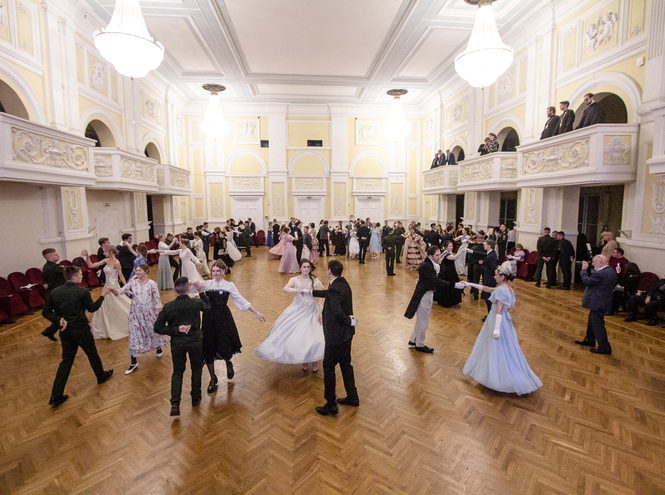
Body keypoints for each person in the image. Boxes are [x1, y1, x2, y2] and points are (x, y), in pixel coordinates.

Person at [461, 262, 542, 395]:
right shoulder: (506, 288)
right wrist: (470, 284)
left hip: (497, 321)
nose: (494, 277)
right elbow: (487, 289)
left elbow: (499, 310)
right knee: (502, 348)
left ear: (503, 276)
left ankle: (498, 378)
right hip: (502, 321)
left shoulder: (503, 290)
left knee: (496, 348)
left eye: (496, 275)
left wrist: (496, 329)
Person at [43, 266, 114, 407]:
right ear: (74, 277)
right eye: (80, 274)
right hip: (81, 329)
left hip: (66, 331)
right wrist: (103, 295)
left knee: (66, 361)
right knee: (92, 353)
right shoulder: (82, 292)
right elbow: (92, 308)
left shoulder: (55, 292)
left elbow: (46, 312)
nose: (82, 276)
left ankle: (56, 395)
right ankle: (101, 376)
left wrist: (58, 320)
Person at [200, 261, 265, 392]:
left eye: (218, 271)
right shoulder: (207, 284)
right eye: (213, 271)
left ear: (223, 271)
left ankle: (228, 362)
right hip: (208, 319)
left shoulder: (228, 285)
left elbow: (240, 299)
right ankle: (213, 377)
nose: (216, 273)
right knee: (208, 346)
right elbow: (188, 288)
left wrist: (256, 312)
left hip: (223, 318)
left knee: (224, 343)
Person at [153, 277, 210, 417]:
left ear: (175, 290)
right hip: (195, 341)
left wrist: (176, 329)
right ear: (188, 289)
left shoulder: (168, 307)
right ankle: (195, 397)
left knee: (177, 371)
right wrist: (201, 292)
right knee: (196, 369)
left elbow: (157, 327)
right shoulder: (195, 304)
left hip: (177, 343)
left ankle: (175, 403)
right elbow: (208, 307)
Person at [255, 259, 325, 371]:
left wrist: (320, 312)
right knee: (301, 336)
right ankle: (305, 360)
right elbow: (285, 288)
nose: (306, 269)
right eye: (304, 267)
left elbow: (320, 297)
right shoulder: (294, 279)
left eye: (308, 267)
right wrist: (295, 290)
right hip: (297, 308)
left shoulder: (314, 281)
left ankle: (314, 361)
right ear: (300, 268)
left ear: (310, 268)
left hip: (310, 310)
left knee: (312, 336)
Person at [310, 260, 358, 416]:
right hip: (346, 336)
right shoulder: (342, 283)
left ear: (329, 271)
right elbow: (329, 294)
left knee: (329, 367)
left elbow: (337, 312)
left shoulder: (335, 288)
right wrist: (310, 292)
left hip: (336, 336)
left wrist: (349, 321)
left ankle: (331, 404)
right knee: (346, 365)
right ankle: (353, 397)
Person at [118, 264, 168, 375]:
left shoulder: (152, 284)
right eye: (136, 270)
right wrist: (111, 290)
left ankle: (158, 346)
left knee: (152, 330)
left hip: (149, 312)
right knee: (134, 335)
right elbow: (120, 291)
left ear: (146, 271)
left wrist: (159, 313)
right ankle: (133, 362)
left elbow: (157, 299)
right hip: (135, 313)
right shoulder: (133, 282)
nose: (137, 272)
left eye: (140, 270)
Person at [404, 247, 455, 353]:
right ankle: (420, 344)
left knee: (421, 320)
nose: (439, 257)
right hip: (424, 295)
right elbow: (435, 280)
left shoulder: (430, 264)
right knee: (424, 320)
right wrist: (452, 285)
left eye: (439, 254)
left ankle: (413, 340)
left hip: (427, 293)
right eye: (437, 255)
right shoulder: (426, 266)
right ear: (430, 256)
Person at [84, 246, 131, 340]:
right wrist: (87, 256)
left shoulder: (117, 262)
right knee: (105, 306)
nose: (104, 253)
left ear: (110, 252)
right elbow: (91, 265)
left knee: (118, 304)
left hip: (113, 286)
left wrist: (126, 288)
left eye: (105, 252)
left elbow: (121, 275)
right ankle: (107, 324)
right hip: (106, 286)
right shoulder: (105, 260)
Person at [575, 255, 617, 355]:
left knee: (598, 325)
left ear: (601, 261)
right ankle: (589, 339)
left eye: (594, 262)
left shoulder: (601, 273)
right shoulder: (611, 271)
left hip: (597, 302)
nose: (592, 264)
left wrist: (584, 270)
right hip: (602, 301)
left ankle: (604, 347)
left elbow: (587, 281)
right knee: (592, 321)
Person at [40, 248, 83, 341]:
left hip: (53, 292)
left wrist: (45, 282)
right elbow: (73, 270)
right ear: (49, 257)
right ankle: (65, 332)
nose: (58, 256)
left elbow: (46, 277)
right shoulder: (54, 267)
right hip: (58, 294)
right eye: (55, 254)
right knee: (61, 314)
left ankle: (49, 331)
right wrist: (81, 257)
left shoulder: (46, 266)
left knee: (60, 313)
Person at [435, 241, 464, 308]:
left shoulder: (450, 253)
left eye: (452, 246)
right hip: (446, 273)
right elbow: (454, 258)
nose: (451, 247)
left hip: (451, 272)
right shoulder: (445, 254)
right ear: (445, 247)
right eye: (450, 246)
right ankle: (446, 301)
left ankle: (452, 300)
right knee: (447, 286)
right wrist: (462, 251)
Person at [479, 240, 498, 315]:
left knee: (489, 298)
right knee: (488, 298)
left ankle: (491, 316)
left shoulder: (491, 256)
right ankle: (491, 315)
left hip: (490, 279)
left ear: (489, 246)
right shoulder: (490, 254)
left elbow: (493, 268)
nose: (484, 245)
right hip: (488, 278)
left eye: (485, 244)